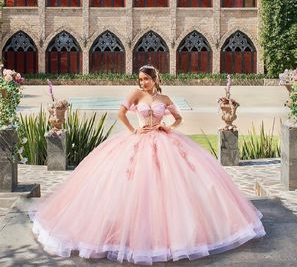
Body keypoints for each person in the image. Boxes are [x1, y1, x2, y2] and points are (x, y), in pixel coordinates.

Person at [30, 65, 266, 265]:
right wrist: (134, 130)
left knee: (170, 185)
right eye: (140, 79)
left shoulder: (164, 99)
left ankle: (173, 234)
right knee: (133, 184)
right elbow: (121, 114)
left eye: (146, 79)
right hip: (138, 141)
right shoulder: (135, 95)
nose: (142, 83)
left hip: (164, 141)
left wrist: (168, 127)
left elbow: (179, 118)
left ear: (155, 80)